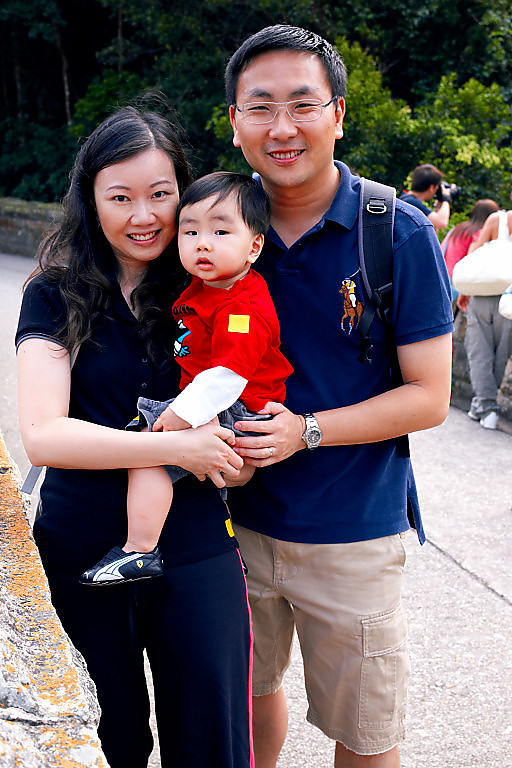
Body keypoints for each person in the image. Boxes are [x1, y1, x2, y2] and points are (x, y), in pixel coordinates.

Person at [223, 25, 454, 768]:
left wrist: (307, 430)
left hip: (351, 530)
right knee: (245, 698)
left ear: (339, 115)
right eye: (260, 108)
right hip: (229, 526)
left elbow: (430, 397)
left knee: (365, 731)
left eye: (302, 105)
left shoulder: (397, 234)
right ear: (235, 124)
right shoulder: (214, 229)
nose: (282, 127)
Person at [15, 106, 255, 768]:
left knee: (212, 742)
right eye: (120, 197)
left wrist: (238, 457)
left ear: (185, 191)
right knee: (102, 742)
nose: (143, 216)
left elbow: (247, 404)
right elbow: (44, 436)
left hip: (197, 545)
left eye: (161, 194)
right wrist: (174, 447)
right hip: (81, 550)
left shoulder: (214, 288)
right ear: (91, 200)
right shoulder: (54, 293)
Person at [80, 171, 293, 585]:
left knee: (150, 451)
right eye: (190, 231)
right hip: (218, 400)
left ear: (254, 246)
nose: (202, 243)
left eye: (220, 232)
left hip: (236, 405)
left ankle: (140, 550)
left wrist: (182, 415)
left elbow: (228, 375)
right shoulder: (208, 287)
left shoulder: (241, 306)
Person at [456, 203, 512, 430]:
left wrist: (464, 290)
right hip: (509, 298)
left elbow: (476, 253)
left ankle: (487, 408)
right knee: (502, 354)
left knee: (480, 351)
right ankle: (481, 405)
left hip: (484, 294)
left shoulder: (497, 220)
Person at [441, 198, 499, 299]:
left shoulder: (459, 228)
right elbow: (472, 260)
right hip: (457, 283)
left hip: (443, 277)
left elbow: (442, 248)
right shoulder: (478, 234)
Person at [399, 163, 452, 232]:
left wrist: (438, 205)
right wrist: (446, 198)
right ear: (431, 187)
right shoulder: (411, 203)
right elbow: (442, 222)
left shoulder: (406, 199)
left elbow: (433, 231)